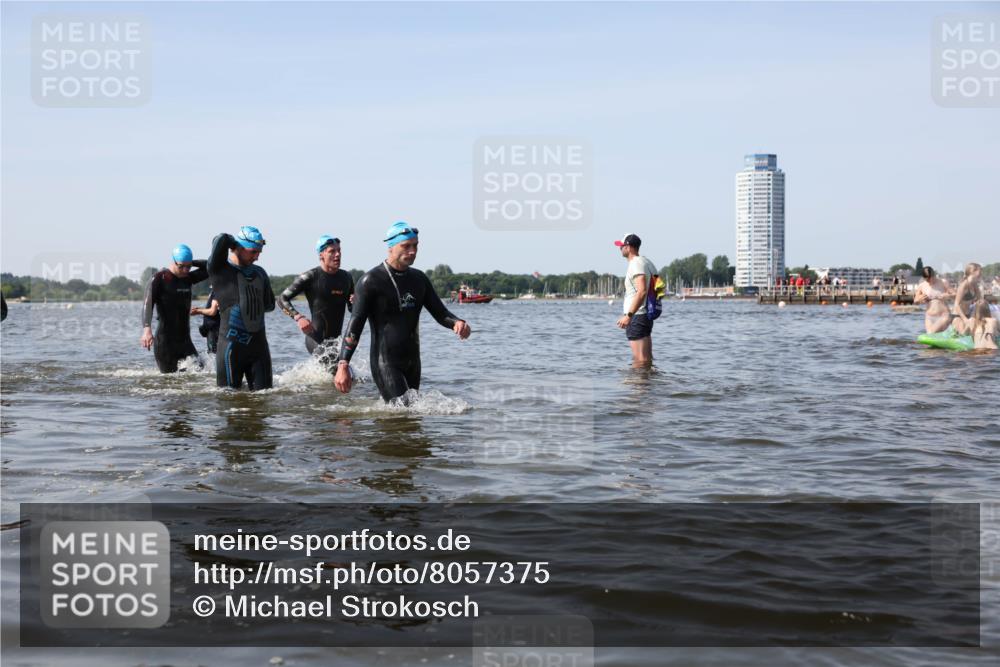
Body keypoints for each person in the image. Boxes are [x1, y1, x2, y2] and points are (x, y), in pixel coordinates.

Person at [334, 222, 470, 402]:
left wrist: (457, 323)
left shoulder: (419, 279)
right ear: (390, 247)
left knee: (410, 420)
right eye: (406, 246)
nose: (412, 251)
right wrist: (343, 364)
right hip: (385, 362)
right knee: (403, 410)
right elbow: (355, 325)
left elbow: (440, 313)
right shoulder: (370, 281)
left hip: (413, 362)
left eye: (415, 246)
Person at [208, 226, 276, 390]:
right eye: (253, 251)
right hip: (231, 349)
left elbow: (270, 305)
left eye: (259, 252)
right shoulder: (220, 269)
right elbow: (221, 239)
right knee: (229, 404)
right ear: (237, 247)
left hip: (259, 348)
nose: (257, 257)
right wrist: (234, 242)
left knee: (264, 401)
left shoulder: (260, 273)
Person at [277, 235, 355, 368]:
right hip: (315, 339)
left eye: (339, 250)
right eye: (332, 251)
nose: (337, 255)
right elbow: (281, 299)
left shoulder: (346, 277)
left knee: (349, 379)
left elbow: (351, 309)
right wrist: (298, 317)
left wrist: (355, 303)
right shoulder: (311, 276)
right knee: (335, 373)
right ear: (321, 255)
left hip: (336, 342)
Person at [141, 244, 208, 373]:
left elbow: (210, 266)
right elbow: (147, 304)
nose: (185, 270)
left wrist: (190, 262)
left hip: (185, 342)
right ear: (173, 261)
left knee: (201, 372)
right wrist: (146, 329)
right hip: (165, 343)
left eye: (188, 266)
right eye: (181, 266)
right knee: (169, 382)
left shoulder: (188, 278)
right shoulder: (160, 278)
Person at [614, 233, 657, 366]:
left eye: (621, 246)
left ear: (629, 247)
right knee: (646, 359)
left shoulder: (636, 263)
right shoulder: (647, 262)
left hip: (637, 316)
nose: (619, 249)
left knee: (640, 360)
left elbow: (642, 291)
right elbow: (657, 289)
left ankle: (639, 386)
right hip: (645, 316)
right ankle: (648, 385)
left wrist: (628, 316)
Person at [913, 266, 954, 334]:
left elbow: (955, 294)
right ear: (924, 278)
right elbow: (915, 301)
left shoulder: (943, 282)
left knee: (932, 333)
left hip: (943, 315)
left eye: (932, 278)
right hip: (930, 317)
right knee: (930, 337)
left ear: (934, 275)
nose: (931, 281)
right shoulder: (921, 286)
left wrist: (947, 295)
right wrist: (919, 299)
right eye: (928, 280)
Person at [952, 262, 984, 331]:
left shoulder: (975, 285)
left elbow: (980, 301)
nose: (981, 273)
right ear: (972, 272)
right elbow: (956, 305)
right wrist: (965, 319)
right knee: (964, 332)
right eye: (980, 271)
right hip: (958, 316)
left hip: (968, 315)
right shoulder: (963, 285)